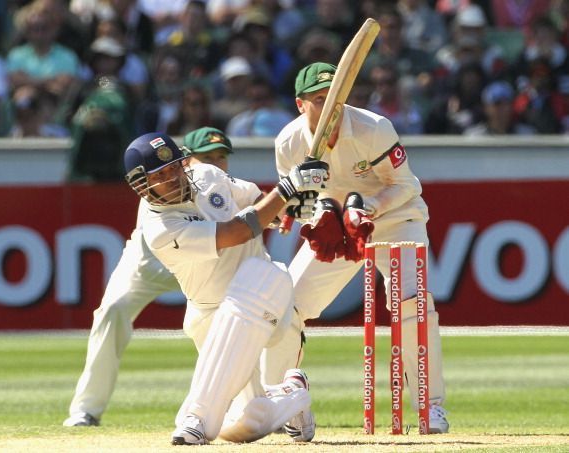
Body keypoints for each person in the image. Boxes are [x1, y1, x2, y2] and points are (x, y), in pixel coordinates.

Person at [63, 127, 319, 444]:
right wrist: (288, 188)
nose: (171, 178)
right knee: (249, 422)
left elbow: (251, 197)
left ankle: (195, 419)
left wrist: (288, 209)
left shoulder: (208, 175)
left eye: (174, 168)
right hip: (210, 312)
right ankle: (292, 393)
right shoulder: (159, 227)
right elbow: (236, 233)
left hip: (261, 291)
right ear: (142, 186)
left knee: (248, 292)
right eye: (160, 175)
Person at [267, 61, 450, 434]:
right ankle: (285, 404)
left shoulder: (373, 127)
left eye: (336, 97)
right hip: (338, 226)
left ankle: (430, 408)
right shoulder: (288, 143)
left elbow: (406, 185)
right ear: (301, 104)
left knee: (411, 305)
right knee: (284, 306)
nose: (331, 107)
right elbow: (298, 204)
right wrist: (320, 218)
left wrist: (367, 208)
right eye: (320, 99)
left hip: (397, 217)